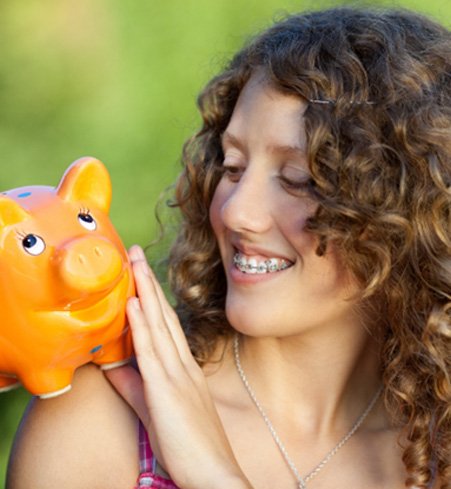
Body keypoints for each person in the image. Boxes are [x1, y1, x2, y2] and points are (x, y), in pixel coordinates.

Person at [6, 6, 450, 489]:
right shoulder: (97, 423)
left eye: (298, 179)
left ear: (405, 214)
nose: (237, 211)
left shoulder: (437, 450)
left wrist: (214, 476)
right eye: (233, 166)